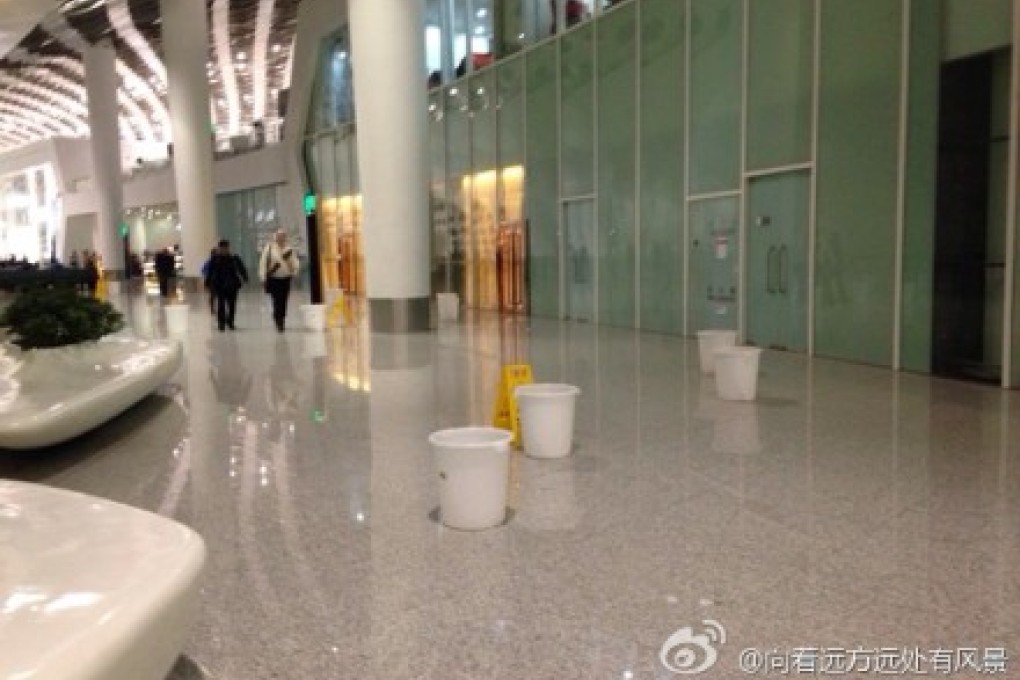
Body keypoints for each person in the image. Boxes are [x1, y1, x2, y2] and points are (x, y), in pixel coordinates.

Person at [259, 229, 300, 332]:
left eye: (283, 236)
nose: (281, 238)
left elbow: (295, 262)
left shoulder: (289, 249)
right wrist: (263, 277)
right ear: (275, 237)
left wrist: (295, 271)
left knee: (284, 300)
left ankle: (282, 317)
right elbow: (263, 263)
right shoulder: (269, 248)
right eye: (279, 236)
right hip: (274, 279)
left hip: (286, 279)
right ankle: (278, 319)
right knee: (277, 300)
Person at [205, 239, 249, 332]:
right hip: (219, 285)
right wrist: (207, 282)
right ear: (219, 248)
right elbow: (210, 271)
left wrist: (245, 277)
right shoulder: (215, 258)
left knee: (232, 305)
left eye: (226, 248)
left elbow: (241, 268)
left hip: (232, 285)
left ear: (228, 248)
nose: (224, 250)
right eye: (222, 248)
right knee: (221, 304)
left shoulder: (234, 258)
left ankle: (230, 321)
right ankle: (221, 323)